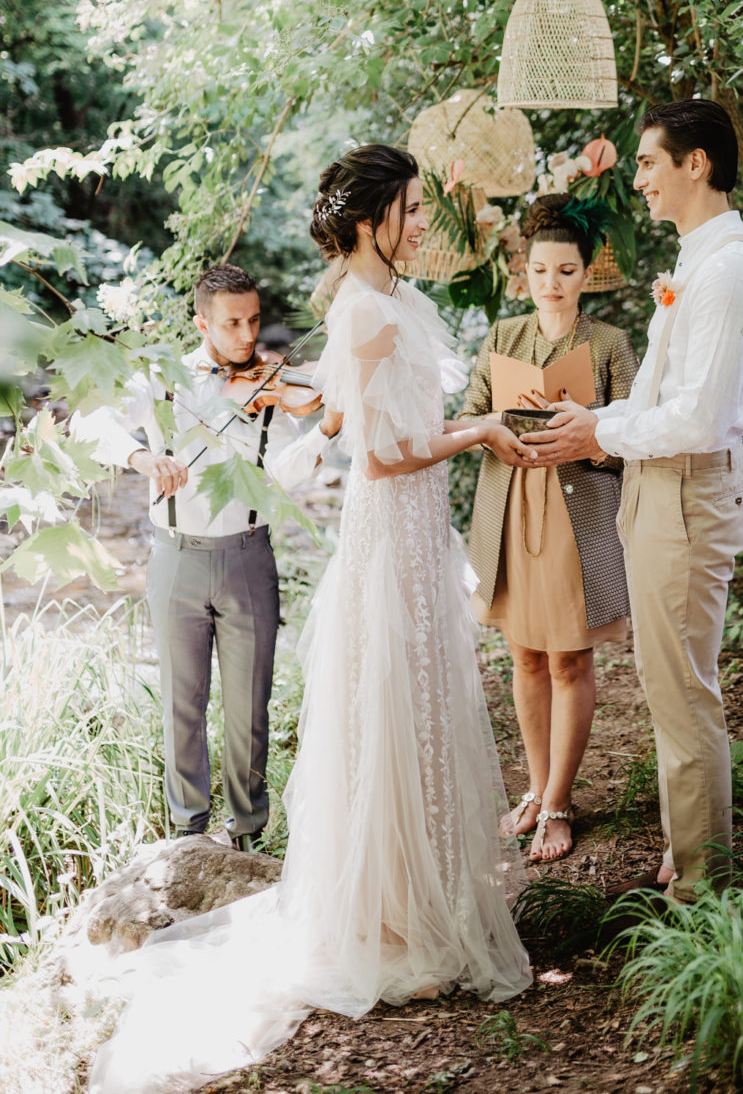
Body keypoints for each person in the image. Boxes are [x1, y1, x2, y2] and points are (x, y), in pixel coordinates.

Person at [89, 145, 532, 1094]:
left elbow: (352, 420)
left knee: (420, 712)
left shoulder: (400, 304)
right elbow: (381, 456)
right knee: (386, 714)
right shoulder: (364, 313)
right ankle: (383, 918)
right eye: (412, 210)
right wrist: (482, 431)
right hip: (389, 533)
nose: (422, 223)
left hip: (418, 537)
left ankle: (417, 903)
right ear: (372, 220)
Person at [522, 101, 743, 902]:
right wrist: (597, 423)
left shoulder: (730, 265)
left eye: (646, 162)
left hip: (690, 489)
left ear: (695, 163)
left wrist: (601, 432)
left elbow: (699, 418)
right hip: (664, 485)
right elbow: (663, 397)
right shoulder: (699, 257)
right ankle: (688, 842)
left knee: (682, 694)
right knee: (671, 686)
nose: (635, 179)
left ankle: (704, 889)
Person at [72, 263, 335, 850]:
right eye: (232, 324)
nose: (247, 336)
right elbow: (91, 420)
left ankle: (247, 833)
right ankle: (188, 833)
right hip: (175, 559)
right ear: (202, 322)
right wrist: (142, 460)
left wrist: (326, 430)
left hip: (247, 558)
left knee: (249, 707)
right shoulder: (161, 378)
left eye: (255, 321)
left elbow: (283, 472)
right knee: (181, 703)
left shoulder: (269, 387)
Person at [460, 194, 638, 863]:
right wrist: (493, 427)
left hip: (577, 513)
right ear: (524, 273)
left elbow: (637, 438)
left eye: (566, 271)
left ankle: (560, 802)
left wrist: (591, 439)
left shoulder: (611, 344)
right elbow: (466, 416)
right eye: (540, 270)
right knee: (526, 653)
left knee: (569, 655)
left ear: (585, 274)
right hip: (511, 509)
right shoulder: (502, 336)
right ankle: (535, 788)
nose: (552, 283)